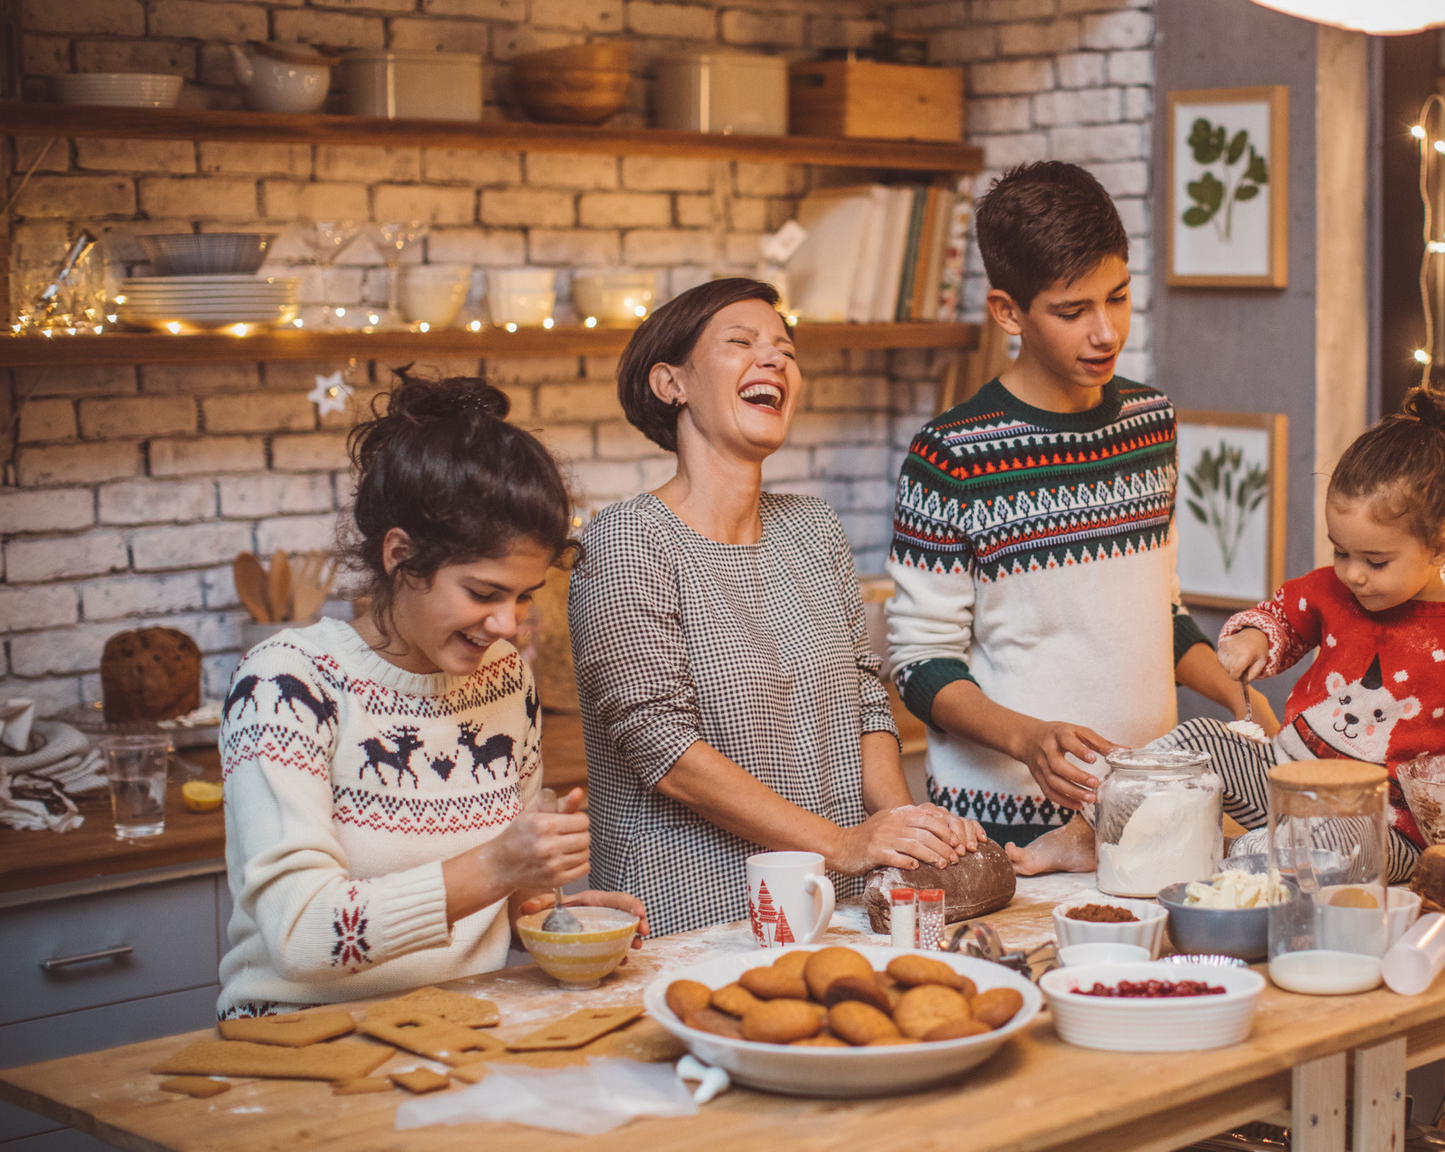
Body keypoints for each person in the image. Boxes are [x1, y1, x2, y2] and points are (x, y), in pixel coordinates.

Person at [886, 161, 1278, 874]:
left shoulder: (1149, 420)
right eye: (1073, 312)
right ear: (1009, 312)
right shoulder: (949, 456)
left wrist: (1236, 693)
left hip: (1147, 808)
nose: (1106, 332)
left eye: (1119, 298)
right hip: (1000, 825)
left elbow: (1160, 611)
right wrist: (1029, 739)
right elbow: (920, 666)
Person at [216, 374, 644, 1020]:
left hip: (457, 1025)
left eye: (523, 595)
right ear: (400, 556)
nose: (508, 625)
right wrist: (498, 867)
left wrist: (553, 917)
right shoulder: (284, 685)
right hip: (295, 1040)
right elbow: (300, 936)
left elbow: (498, 898)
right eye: (482, 593)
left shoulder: (503, 676)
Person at [572, 277, 983, 938]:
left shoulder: (814, 528)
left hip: (840, 906)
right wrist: (843, 844)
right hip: (694, 920)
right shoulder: (626, 541)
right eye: (742, 343)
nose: (775, 361)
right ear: (670, 383)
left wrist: (904, 839)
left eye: (785, 350)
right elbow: (664, 750)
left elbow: (864, 700)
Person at [1217, 387, 1445, 879]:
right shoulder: (1332, 590)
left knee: (1337, 839)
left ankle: (1258, 855)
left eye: (1375, 561)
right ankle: (1110, 825)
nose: (1352, 574)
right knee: (1200, 742)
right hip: (1287, 781)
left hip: (1387, 829)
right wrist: (1254, 637)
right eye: (1340, 552)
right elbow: (1284, 619)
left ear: (1441, 548)